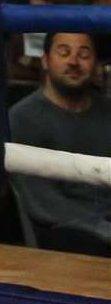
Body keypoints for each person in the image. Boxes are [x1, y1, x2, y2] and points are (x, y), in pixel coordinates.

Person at [8, 32, 111, 255]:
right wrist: (104, 230)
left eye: (84, 54)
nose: (73, 61)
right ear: (45, 61)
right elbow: (44, 201)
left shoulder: (107, 111)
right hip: (63, 227)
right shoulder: (22, 118)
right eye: (63, 52)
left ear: (95, 65)